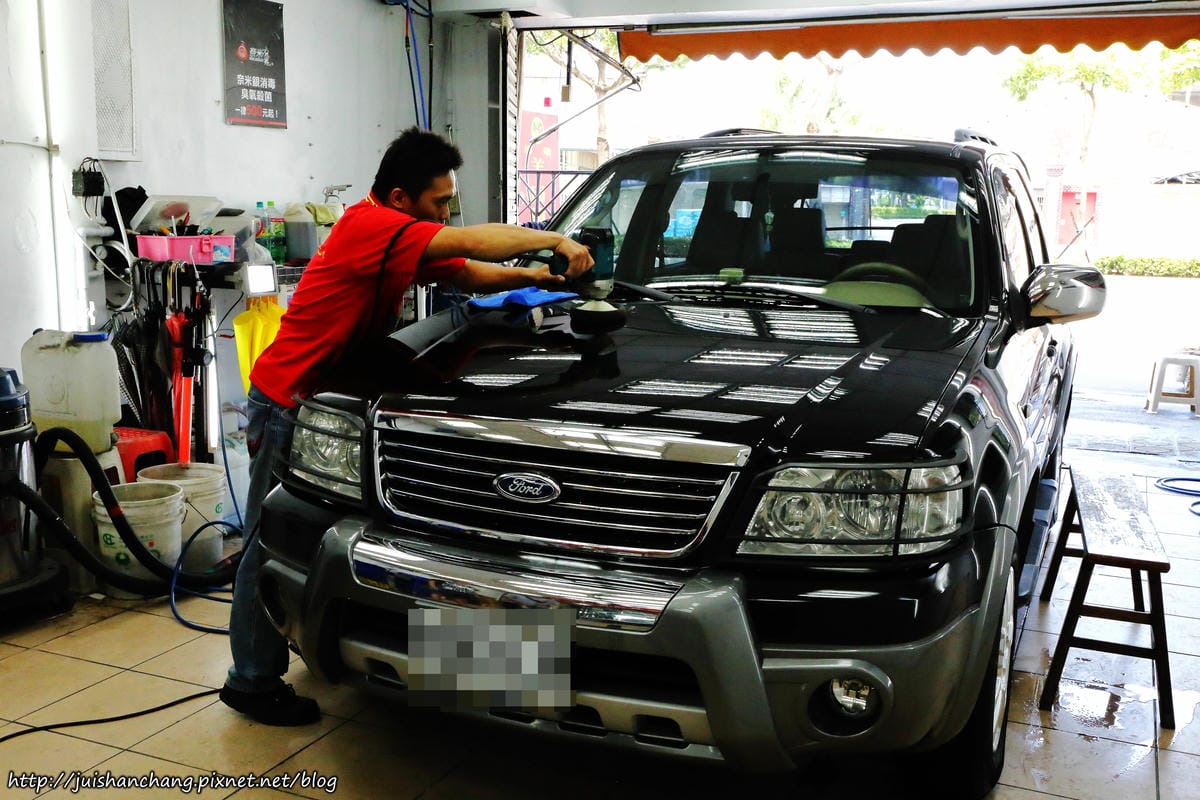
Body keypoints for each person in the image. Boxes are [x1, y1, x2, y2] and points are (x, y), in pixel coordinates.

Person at [219, 127, 592, 726]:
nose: (447, 213)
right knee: (269, 541)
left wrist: (536, 278)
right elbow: (470, 242)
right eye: (439, 203)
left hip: (326, 403)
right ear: (399, 198)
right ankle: (251, 680)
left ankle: (406, 656)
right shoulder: (368, 227)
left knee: (309, 538)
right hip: (287, 400)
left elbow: (466, 272)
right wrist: (553, 238)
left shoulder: (389, 235)